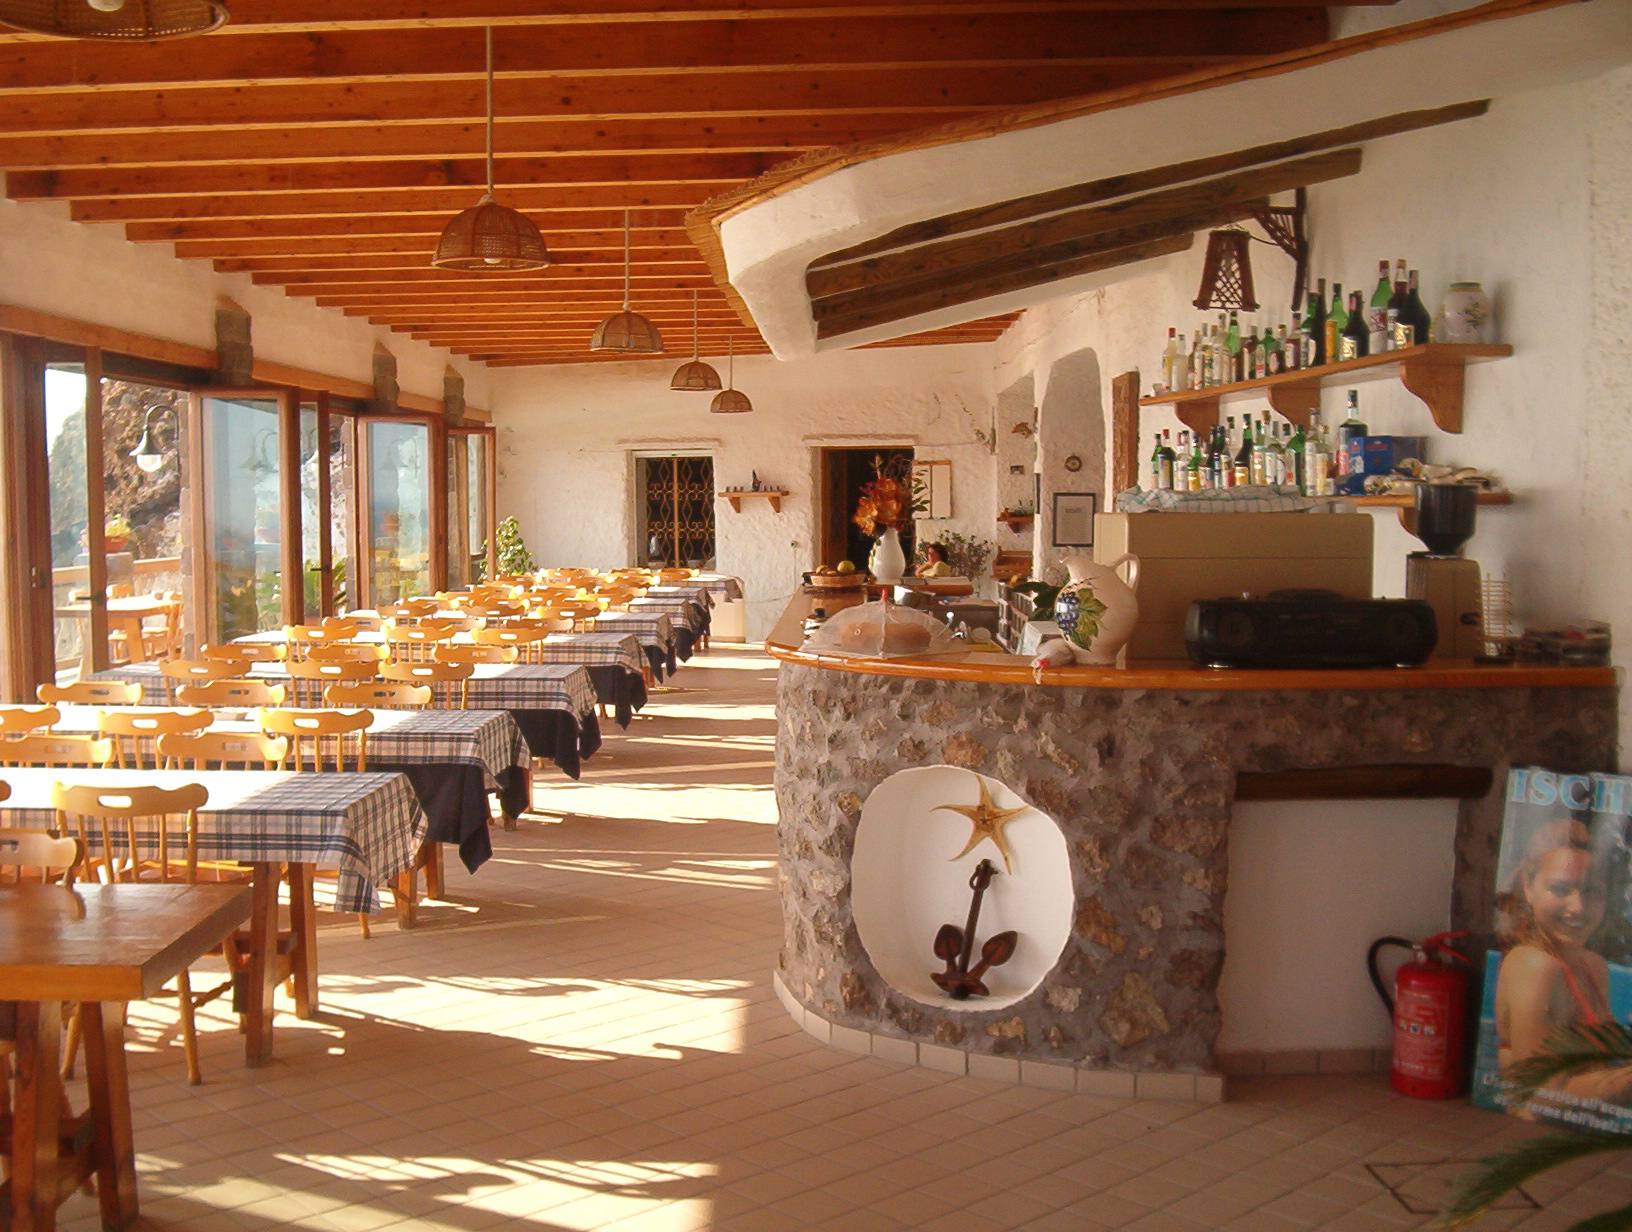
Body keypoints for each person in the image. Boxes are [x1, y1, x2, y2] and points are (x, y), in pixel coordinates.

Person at [1494, 818, 1630, 1111]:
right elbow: (1539, 1093)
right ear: (1528, 888)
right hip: (1532, 1131)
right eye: (1559, 889)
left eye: (1592, 892)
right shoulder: (1534, 966)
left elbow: (1598, 1068)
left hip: (1583, 1125)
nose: (1578, 907)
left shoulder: (1593, 966)